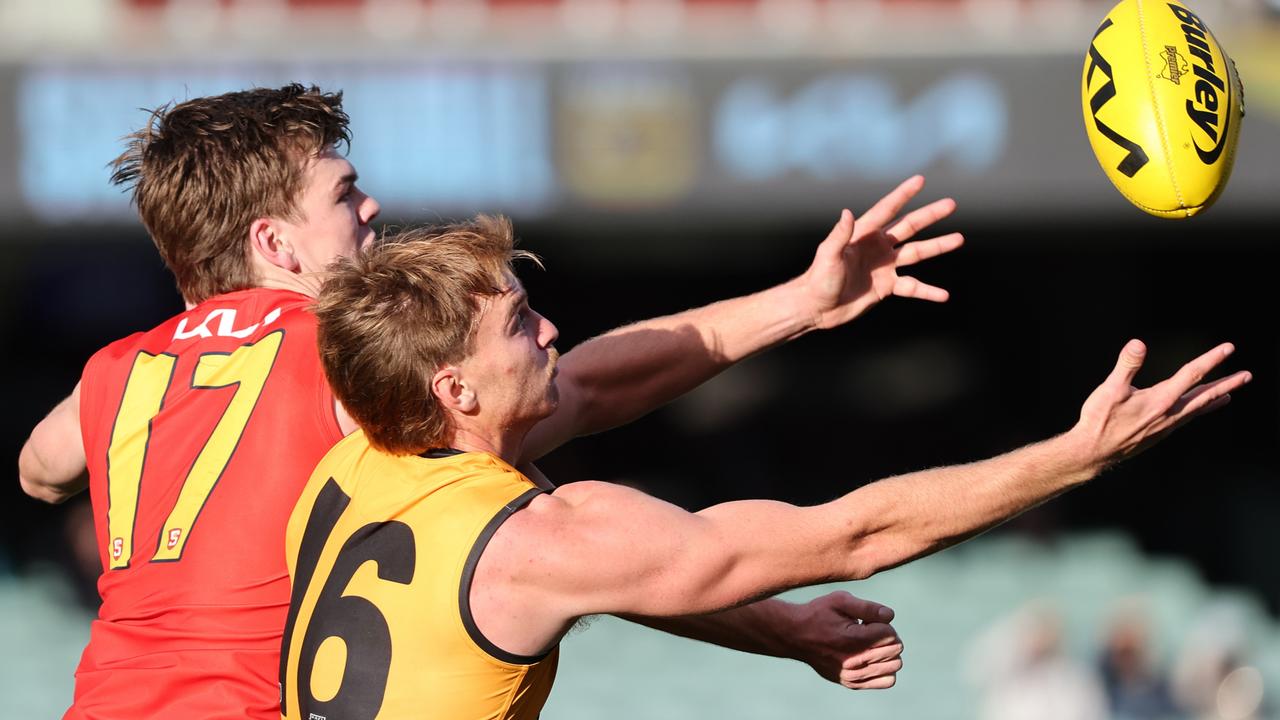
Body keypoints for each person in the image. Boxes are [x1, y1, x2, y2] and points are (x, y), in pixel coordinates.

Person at [17, 84, 961, 718]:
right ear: (278, 245)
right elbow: (589, 395)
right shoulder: (344, 363)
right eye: (344, 196)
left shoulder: (115, 373)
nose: (372, 211)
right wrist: (802, 303)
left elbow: (41, 466)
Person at [283, 216, 1250, 719]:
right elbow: (852, 536)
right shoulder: (537, 539)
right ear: (456, 390)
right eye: (521, 326)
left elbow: (599, 390)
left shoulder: (358, 460)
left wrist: (806, 300)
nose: (553, 332)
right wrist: (1078, 456)